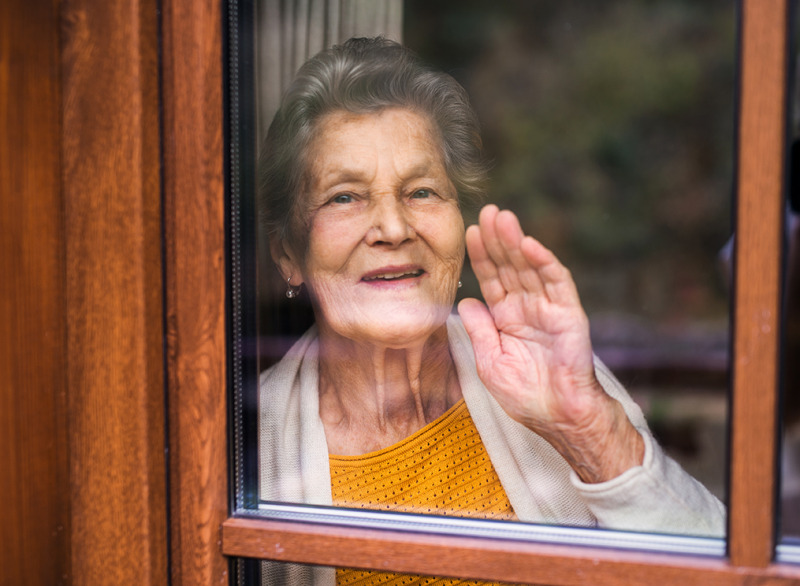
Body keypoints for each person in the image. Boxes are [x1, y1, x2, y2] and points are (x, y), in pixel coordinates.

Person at [258, 37, 724, 584]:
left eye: (422, 191)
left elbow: (715, 567)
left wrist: (588, 430)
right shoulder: (250, 440)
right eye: (345, 196)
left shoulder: (533, 369)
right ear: (290, 254)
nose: (393, 228)